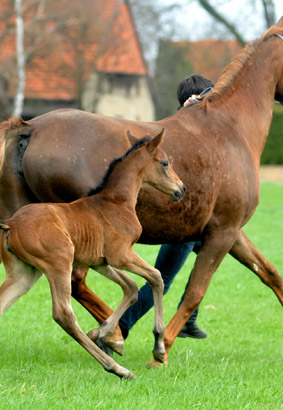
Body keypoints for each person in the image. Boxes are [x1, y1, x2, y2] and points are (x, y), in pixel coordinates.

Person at [118, 74, 214, 340]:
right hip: (182, 221)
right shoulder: (180, 135)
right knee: (161, 280)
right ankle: (120, 326)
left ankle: (188, 319)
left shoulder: (196, 130)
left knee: (214, 253)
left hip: (196, 221)